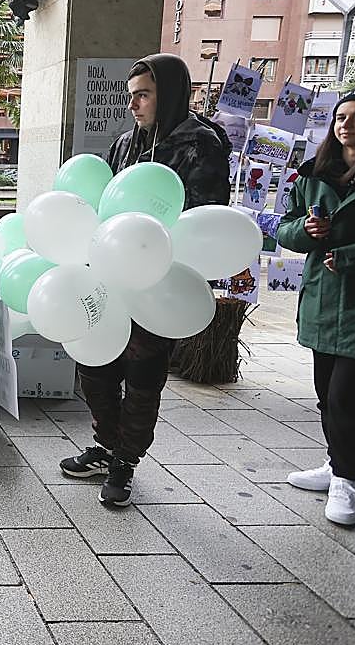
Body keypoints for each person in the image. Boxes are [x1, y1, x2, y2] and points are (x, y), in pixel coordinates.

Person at [60, 53, 231, 507]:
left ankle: (126, 461)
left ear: (169, 93)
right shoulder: (123, 144)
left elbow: (203, 216)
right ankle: (107, 444)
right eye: (130, 96)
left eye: (143, 95)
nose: (133, 105)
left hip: (160, 280)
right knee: (93, 364)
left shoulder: (202, 144)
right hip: (112, 275)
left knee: (142, 374)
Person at [276, 87, 355, 526]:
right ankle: (338, 464)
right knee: (325, 396)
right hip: (322, 301)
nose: (345, 124)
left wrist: (350, 255)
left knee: (346, 396)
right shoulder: (313, 173)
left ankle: (349, 481)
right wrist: (306, 231)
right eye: (340, 117)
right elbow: (284, 229)